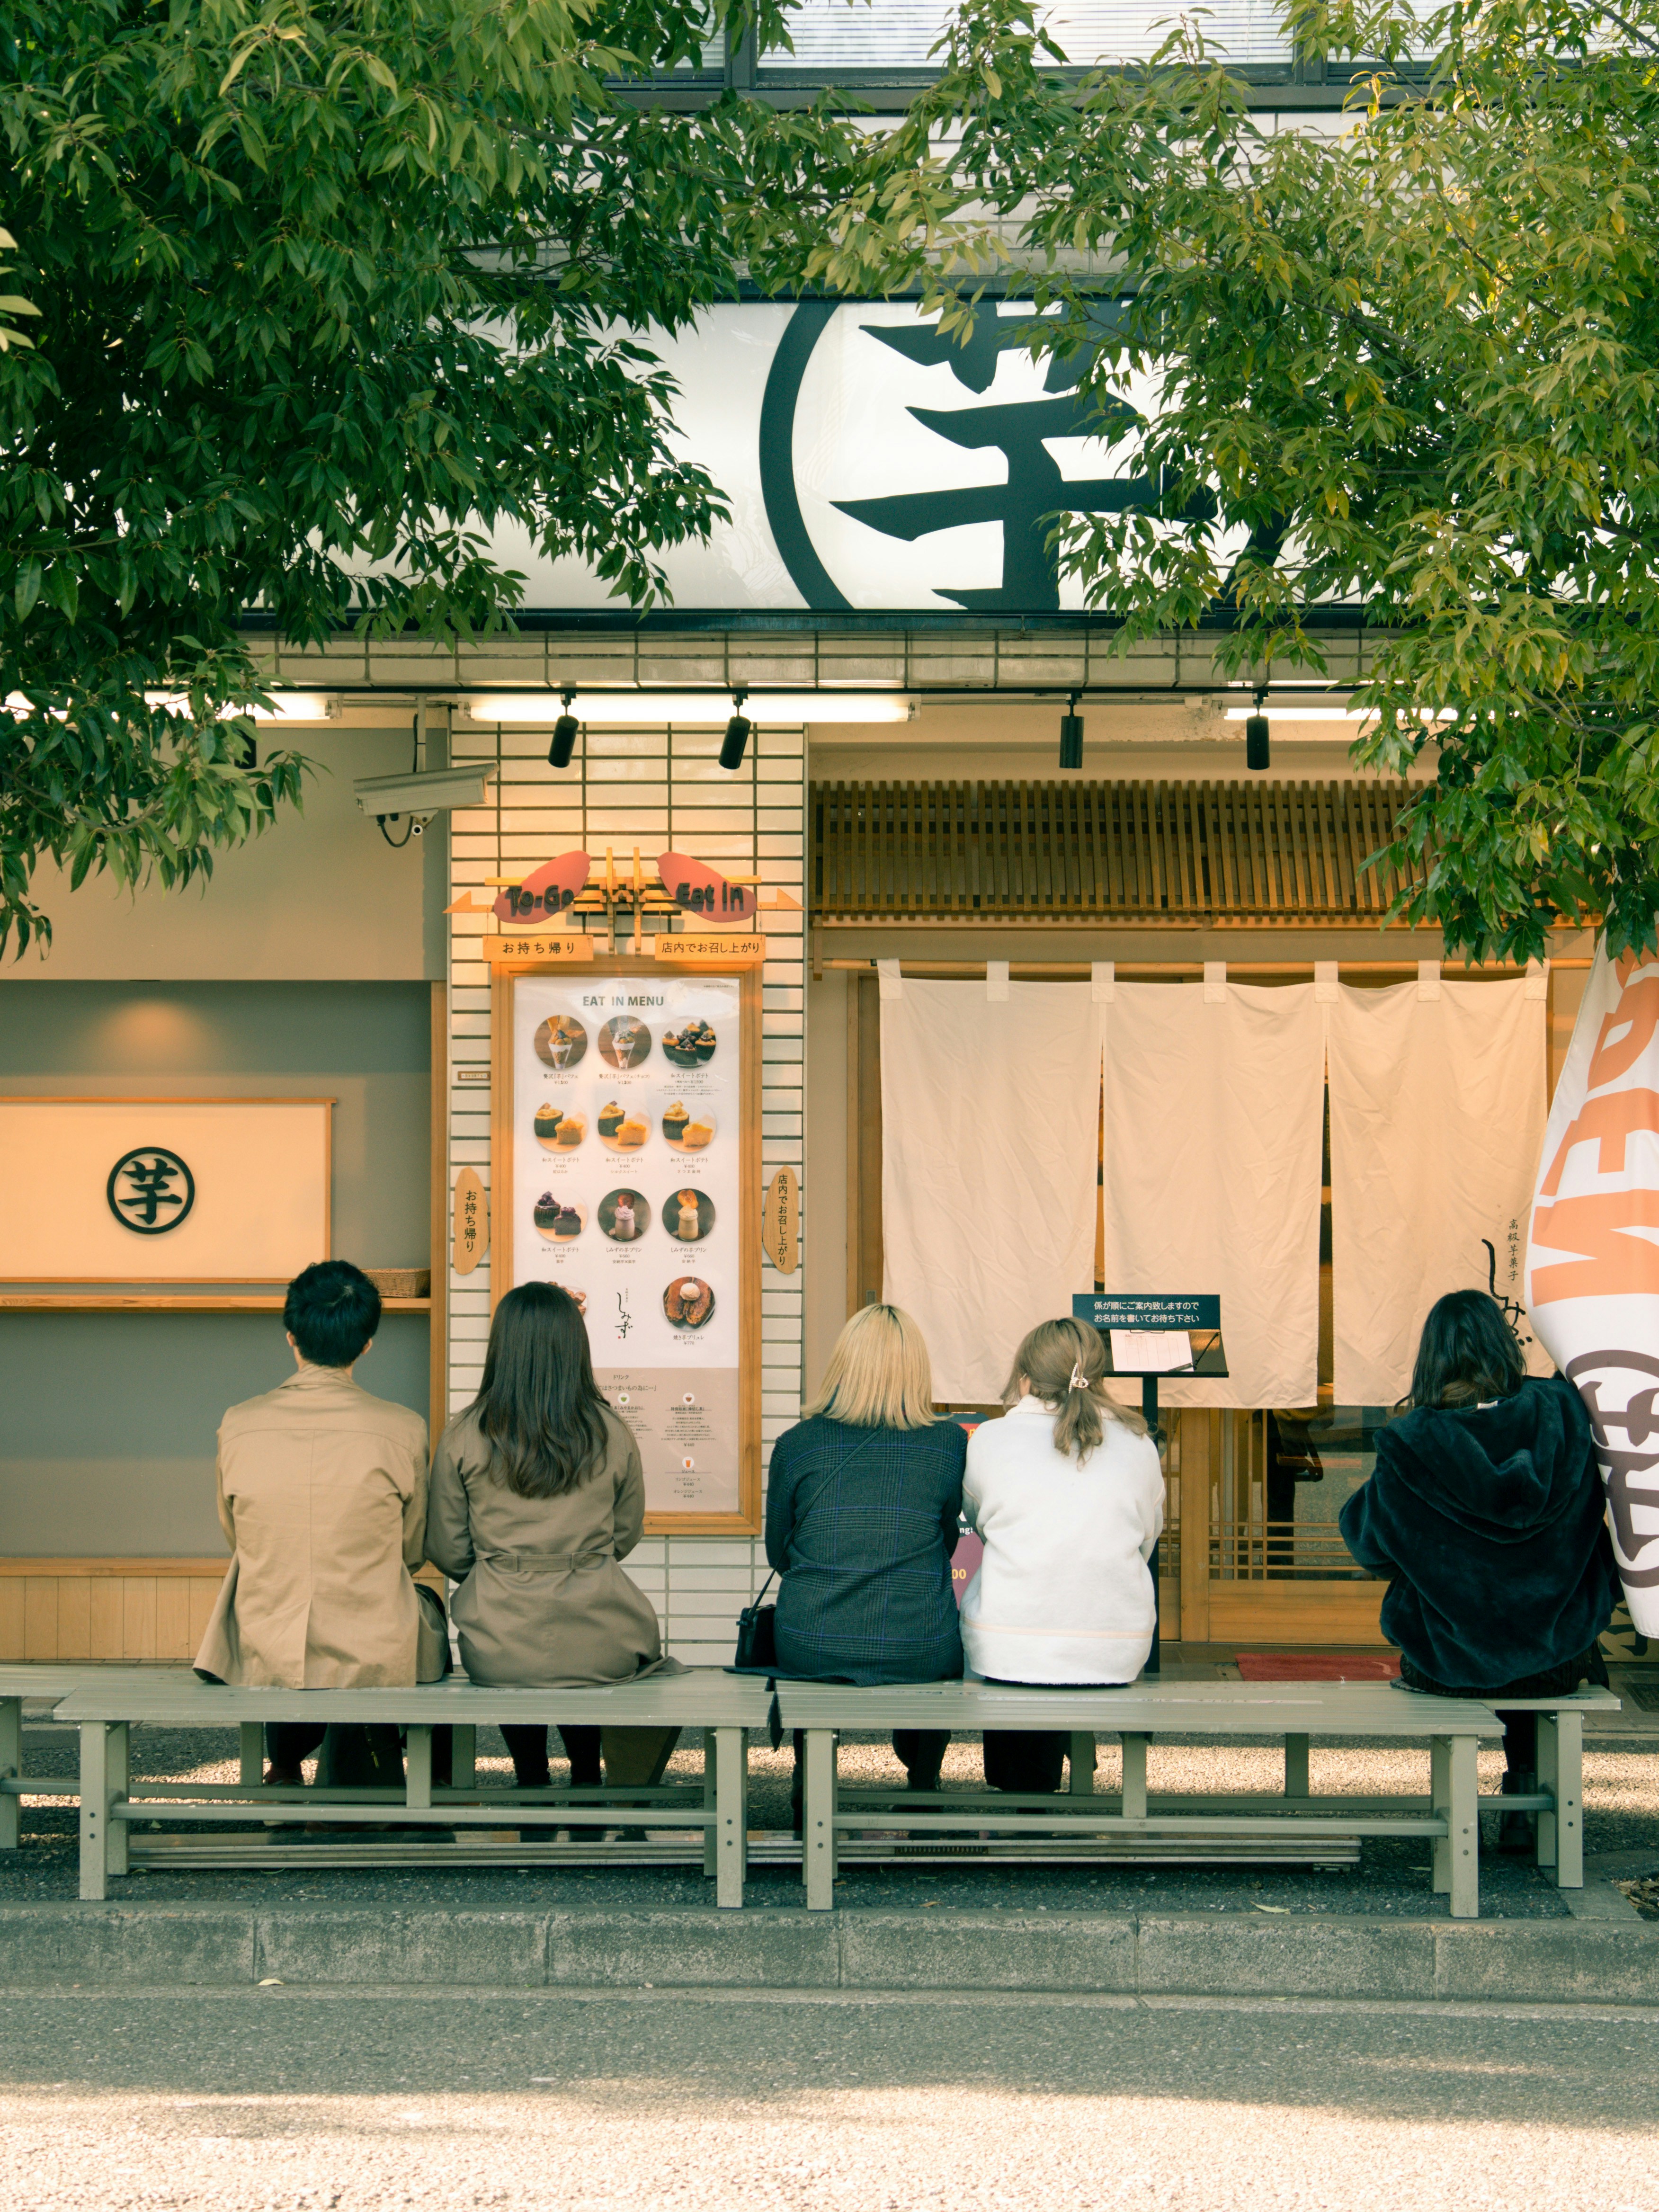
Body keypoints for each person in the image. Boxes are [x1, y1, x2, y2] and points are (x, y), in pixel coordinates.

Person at [1340, 1289, 1620, 1848]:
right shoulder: (1565, 1412)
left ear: (1431, 1358)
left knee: (1469, 1634)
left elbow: (1370, 1545)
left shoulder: (1412, 1440)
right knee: (1524, 1650)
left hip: (1446, 1659)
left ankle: (1462, 1807)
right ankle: (1524, 1793)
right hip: (1558, 1654)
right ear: (1504, 1345)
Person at [425, 1282, 679, 1803]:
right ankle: (587, 1773)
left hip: (498, 1641)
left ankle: (531, 1776)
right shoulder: (611, 1430)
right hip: (599, 1632)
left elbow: (448, 1549)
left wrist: (501, 1571)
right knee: (586, 1660)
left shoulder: (464, 1434)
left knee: (518, 1658)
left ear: (503, 1347)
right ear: (575, 1346)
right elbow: (625, 1535)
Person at [194, 1259, 438, 1792]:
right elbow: (412, 1548)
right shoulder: (402, 1429)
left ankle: (284, 1764)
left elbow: (237, 1536)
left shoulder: (238, 1423)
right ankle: (408, 1778)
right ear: (367, 1343)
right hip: (371, 1641)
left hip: (266, 1638)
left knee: (280, 1589)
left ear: (291, 1336)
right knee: (409, 1607)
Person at [766, 1304, 966, 1822]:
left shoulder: (797, 1444)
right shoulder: (947, 1444)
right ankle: (922, 1782)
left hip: (811, 1640)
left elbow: (778, 1552)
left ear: (843, 1364)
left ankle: (809, 1778)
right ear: (915, 1368)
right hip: (918, 1642)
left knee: (824, 1654)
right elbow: (945, 1543)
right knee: (929, 1641)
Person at [961, 1317, 1164, 1794]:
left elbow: (981, 1524)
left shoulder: (991, 1439)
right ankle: (1074, 1761)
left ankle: (1025, 1800)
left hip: (1008, 1647)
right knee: (1072, 1630)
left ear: (1026, 1379)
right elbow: (1146, 1538)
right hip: (1116, 1645)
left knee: (1023, 1639)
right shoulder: (1139, 1443)